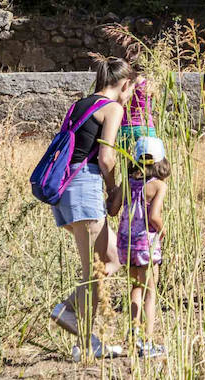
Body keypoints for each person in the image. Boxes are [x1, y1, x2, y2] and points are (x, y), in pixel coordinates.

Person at [47, 56, 134, 361]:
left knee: (112, 258)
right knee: (95, 271)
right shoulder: (113, 108)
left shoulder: (80, 104)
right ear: (125, 84)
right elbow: (106, 158)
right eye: (130, 89)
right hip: (84, 188)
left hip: (66, 189)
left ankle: (72, 314)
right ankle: (82, 339)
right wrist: (114, 192)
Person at [111, 136, 169, 360]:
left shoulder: (128, 181)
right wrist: (163, 229)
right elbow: (154, 216)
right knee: (150, 293)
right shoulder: (159, 185)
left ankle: (134, 331)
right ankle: (147, 341)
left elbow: (114, 210)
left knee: (136, 287)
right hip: (146, 244)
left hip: (125, 243)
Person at [117, 69, 157, 157]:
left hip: (125, 127)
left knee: (123, 161)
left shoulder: (123, 85)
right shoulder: (149, 84)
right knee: (152, 160)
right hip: (146, 127)